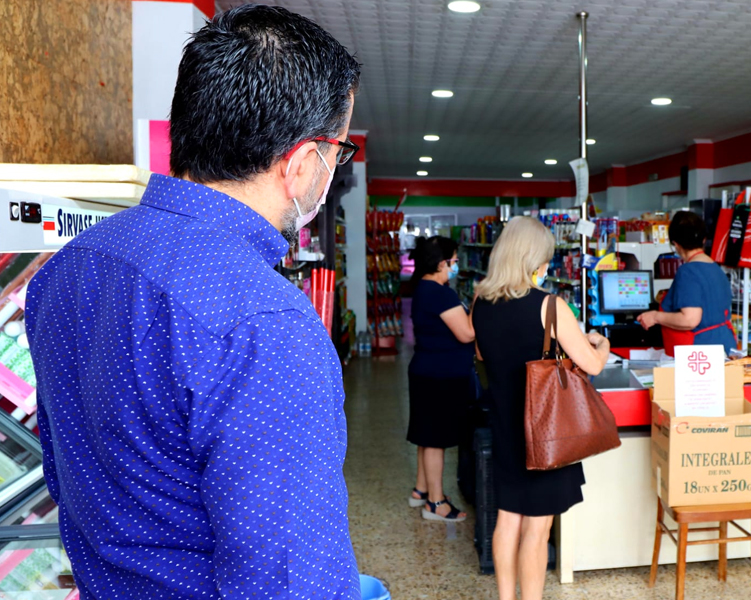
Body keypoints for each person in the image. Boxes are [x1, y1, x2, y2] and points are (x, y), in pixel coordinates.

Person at [25, 5, 363, 598]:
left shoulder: (68, 269)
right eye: (339, 150)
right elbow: (287, 580)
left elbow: (62, 469)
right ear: (305, 163)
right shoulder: (265, 322)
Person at [471, 217, 610, 600]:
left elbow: (482, 353)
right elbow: (592, 365)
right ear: (535, 259)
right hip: (547, 430)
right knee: (537, 529)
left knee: (507, 518)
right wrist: (601, 344)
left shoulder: (480, 302)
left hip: (504, 424)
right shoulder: (550, 306)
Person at [406, 236, 474, 522]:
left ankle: (421, 490)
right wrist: (481, 301)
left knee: (426, 435)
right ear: (442, 262)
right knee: (435, 441)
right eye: (454, 260)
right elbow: (467, 333)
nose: (455, 265)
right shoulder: (441, 293)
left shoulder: (423, 288)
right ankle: (436, 502)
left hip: (426, 370)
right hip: (440, 375)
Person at [636, 211, 737, 353]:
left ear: (675, 245)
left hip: (701, 355)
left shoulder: (688, 272)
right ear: (703, 240)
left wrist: (655, 317)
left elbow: (690, 319)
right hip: (725, 346)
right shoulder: (716, 269)